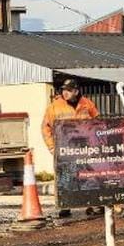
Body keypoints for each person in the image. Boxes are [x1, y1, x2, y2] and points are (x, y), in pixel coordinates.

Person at [42, 77, 100, 217]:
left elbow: (97, 123)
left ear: (76, 91)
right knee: (66, 177)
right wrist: (51, 147)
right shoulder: (55, 106)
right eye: (63, 90)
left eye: (69, 90)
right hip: (64, 149)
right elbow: (45, 127)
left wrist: (95, 144)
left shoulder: (87, 104)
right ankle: (66, 205)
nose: (65, 93)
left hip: (85, 148)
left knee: (88, 176)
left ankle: (93, 205)